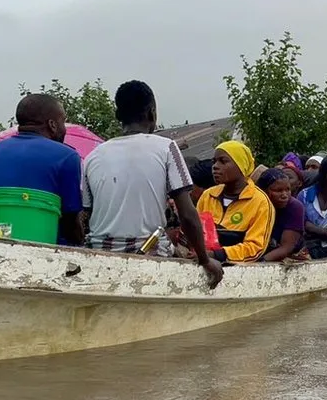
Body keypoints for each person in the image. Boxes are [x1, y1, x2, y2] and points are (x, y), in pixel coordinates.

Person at [82, 81, 222, 288]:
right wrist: (204, 259)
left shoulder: (93, 156)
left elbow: (84, 215)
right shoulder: (166, 147)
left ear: (117, 115)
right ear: (152, 113)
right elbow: (187, 214)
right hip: (148, 250)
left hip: (100, 251)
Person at [0, 94, 83, 245]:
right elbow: (70, 221)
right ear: (52, 125)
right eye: (63, 121)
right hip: (46, 247)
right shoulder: (66, 156)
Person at [196, 141, 274, 263]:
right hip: (202, 267)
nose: (215, 166)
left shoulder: (260, 202)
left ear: (241, 165)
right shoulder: (208, 196)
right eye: (214, 161)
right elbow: (195, 233)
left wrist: (217, 255)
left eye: (223, 161)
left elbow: (255, 248)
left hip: (239, 274)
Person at [256, 168, 306, 262]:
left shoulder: (295, 207)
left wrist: (259, 263)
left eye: (288, 189)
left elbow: (286, 248)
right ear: (264, 191)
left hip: (289, 256)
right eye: (278, 190)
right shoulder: (255, 204)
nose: (284, 195)